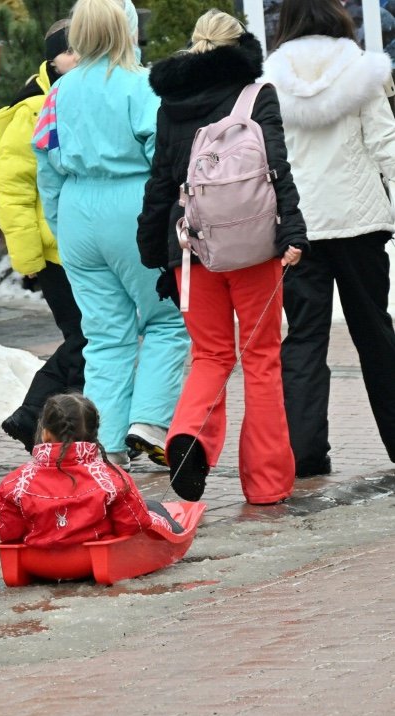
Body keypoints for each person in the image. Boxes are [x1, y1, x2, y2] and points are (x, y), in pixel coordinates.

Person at [138, 11, 308, 505]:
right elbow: (277, 169)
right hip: (255, 245)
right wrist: (293, 230)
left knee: (210, 356)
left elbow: (161, 181)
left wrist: (155, 252)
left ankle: (188, 438)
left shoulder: (170, 100)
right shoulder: (257, 96)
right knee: (261, 359)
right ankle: (267, 484)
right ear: (241, 48)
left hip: (189, 246)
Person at [33, 0, 188, 469]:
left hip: (79, 210)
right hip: (133, 207)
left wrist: (62, 226)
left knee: (104, 336)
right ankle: (149, 421)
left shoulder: (58, 93)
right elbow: (163, 159)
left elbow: (45, 163)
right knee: (168, 320)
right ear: (129, 29)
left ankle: (102, 446)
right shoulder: (141, 86)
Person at [263, 0, 395, 478]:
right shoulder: (360, 69)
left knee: (303, 339)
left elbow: (267, 157)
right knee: (375, 333)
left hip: (299, 229)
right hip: (360, 223)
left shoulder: (270, 77)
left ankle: (305, 453)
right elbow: (386, 145)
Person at [0, 19, 87, 451]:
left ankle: (55, 431)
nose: (80, 57)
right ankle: (37, 419)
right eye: (72, 50)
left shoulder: (82, 93)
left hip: (80, 245)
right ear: (53, 56)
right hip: (54, 253)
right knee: (87, 338)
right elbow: (11, 187)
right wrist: (28, 259)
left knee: (86, 340)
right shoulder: (34, 106)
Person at [0, 393, 182, 547]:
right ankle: (180, 535)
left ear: (45, 433)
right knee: (153, 508)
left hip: (40, 564)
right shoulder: (110, 478)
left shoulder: (16, 482)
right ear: (94, 434)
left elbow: (8, 533)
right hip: (94, 559)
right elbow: (133, 525)